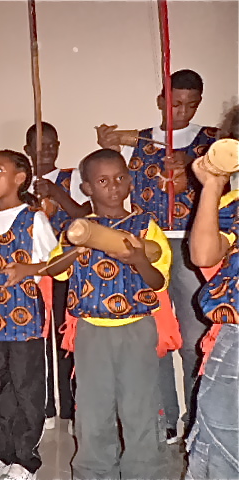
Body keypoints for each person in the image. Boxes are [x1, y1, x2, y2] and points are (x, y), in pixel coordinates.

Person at [97, 69, 218, 441]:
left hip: (190, 247)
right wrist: (110, 142)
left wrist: (188, 167)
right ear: (161, 101)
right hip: (148, 246)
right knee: (155, 337)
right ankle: (163, 416)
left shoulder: (210, 141)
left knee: (194, 339)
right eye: (175, 103)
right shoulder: (142, 143)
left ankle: (198, 419)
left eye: (191, 105)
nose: (182, 112)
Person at [47, 149, 171, 479]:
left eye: (119, 178)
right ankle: (93, 471)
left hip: (137, 328)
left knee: (139, 405)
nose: (113, 186)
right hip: (91, 331)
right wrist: (75, 248)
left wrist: (139, 260)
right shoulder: (78, 228)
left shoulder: (145, 227)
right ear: (87, 188)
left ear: (130, 182)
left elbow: (158, 281)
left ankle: (143, 472)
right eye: (103, 181)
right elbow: (55, 271)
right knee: (92, 406)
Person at [0, 150, 57, 480]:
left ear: (20, 178)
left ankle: (25, 458)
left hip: (25, 320)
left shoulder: (33, 219)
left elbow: (56, 264)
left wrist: (27, 269)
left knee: (26, 387)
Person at [185, 104, 239, 479]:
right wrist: (212, 186)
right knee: (217, 446)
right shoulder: (233, 208)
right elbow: (204, 253)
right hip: (235, 336)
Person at [26, 121, 90, 430]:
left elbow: (85, 216)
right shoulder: (22, 183)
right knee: (39, 338)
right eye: (40, 147)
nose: (48, 151)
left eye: (52, 145)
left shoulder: (72, 177)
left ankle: (69, 404)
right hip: (34, 271)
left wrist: (57, 193)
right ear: (28, 151)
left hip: (67, 269)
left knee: (65, 336)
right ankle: (46, 404)